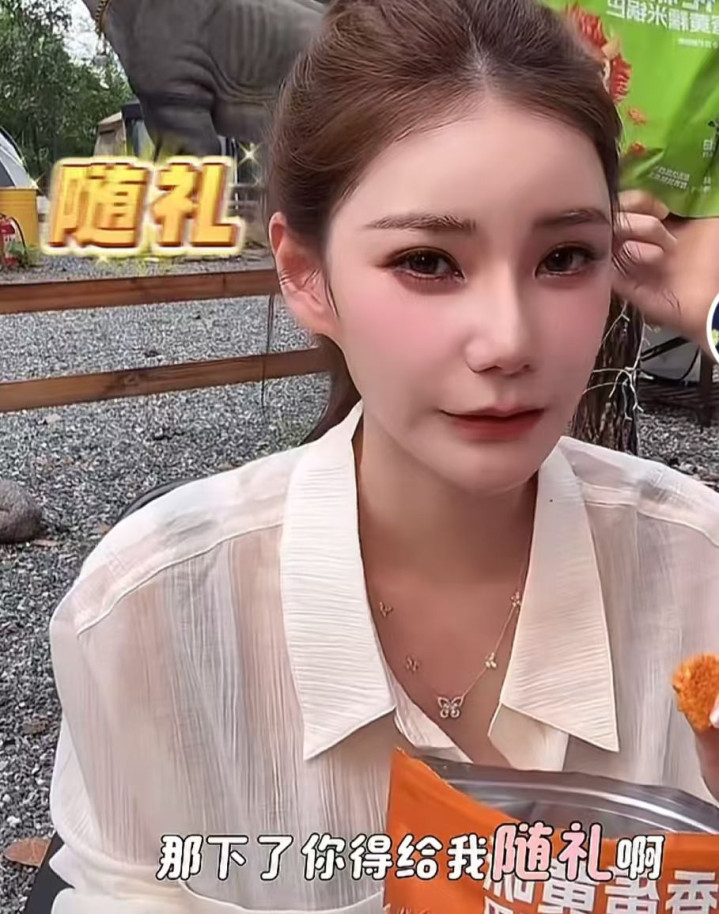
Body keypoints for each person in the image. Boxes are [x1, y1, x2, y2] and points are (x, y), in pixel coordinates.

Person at [47, 0, 719, 911]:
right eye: (427, 262)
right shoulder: (153, 612)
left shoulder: (697, 573)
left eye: (563, 257)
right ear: (305, 273)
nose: (506, 341)